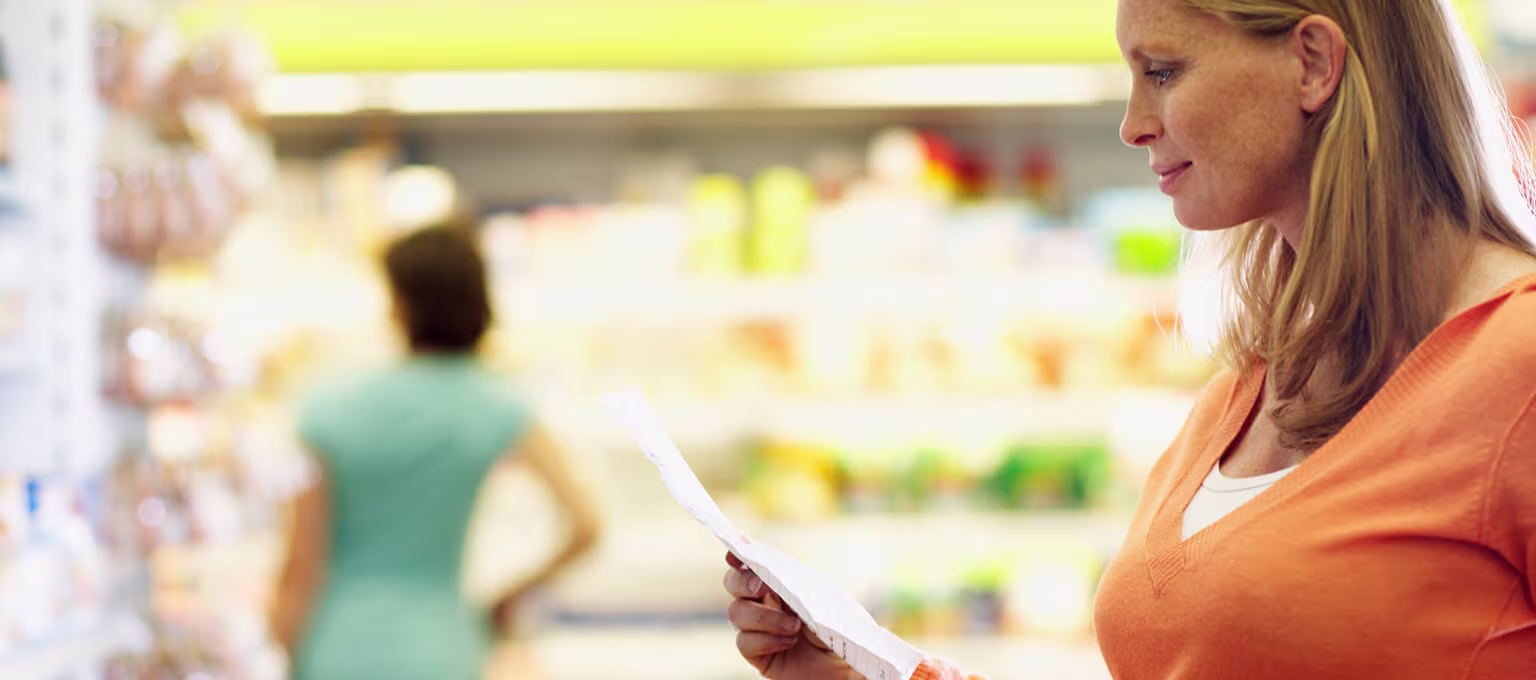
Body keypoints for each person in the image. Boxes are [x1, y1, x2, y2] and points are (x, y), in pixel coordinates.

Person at [723, 0, 1536, 677]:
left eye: (1163, 72)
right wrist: (854, 668)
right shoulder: (1250, 388)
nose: (1132, 124)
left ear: (1314, 64)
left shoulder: (1517, 361)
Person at [270, 224, 602, 679]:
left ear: (399, 305)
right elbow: (587, 525)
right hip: (443, 646)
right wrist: (509, 597)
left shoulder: (324, 412)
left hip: (337, 647)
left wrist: (273, 649)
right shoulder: (498, 405)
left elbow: (300, 565)